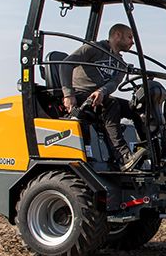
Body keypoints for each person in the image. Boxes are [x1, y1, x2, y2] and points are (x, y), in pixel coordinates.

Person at [59, 23, 146, 171]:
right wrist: (68, 94)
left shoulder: (122, 64)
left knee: (137, 107)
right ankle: (122, 155)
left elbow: (113, 84)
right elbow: (65, 64)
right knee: (111, 104)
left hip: (100, 97)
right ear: (117, 35)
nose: (133, 42)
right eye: (130, 37)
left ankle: (148, 151)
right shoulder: (94, 48)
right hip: (80, 95)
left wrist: (102, 91)